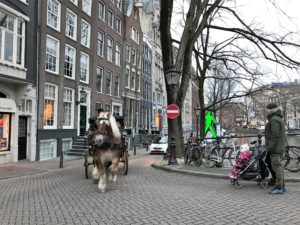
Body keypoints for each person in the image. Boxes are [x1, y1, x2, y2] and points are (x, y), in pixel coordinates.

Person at [264, 102, 286, 194]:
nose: (266, 111)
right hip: (278, 147)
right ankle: (281, 185)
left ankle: (279, 187)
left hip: (275, 148)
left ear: (271, 109)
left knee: (277, 167)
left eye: (267, 109)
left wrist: (270, 147)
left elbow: (275, 135)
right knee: (278, 167)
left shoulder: (273, 119)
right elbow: (272, 132)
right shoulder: (277, 118)